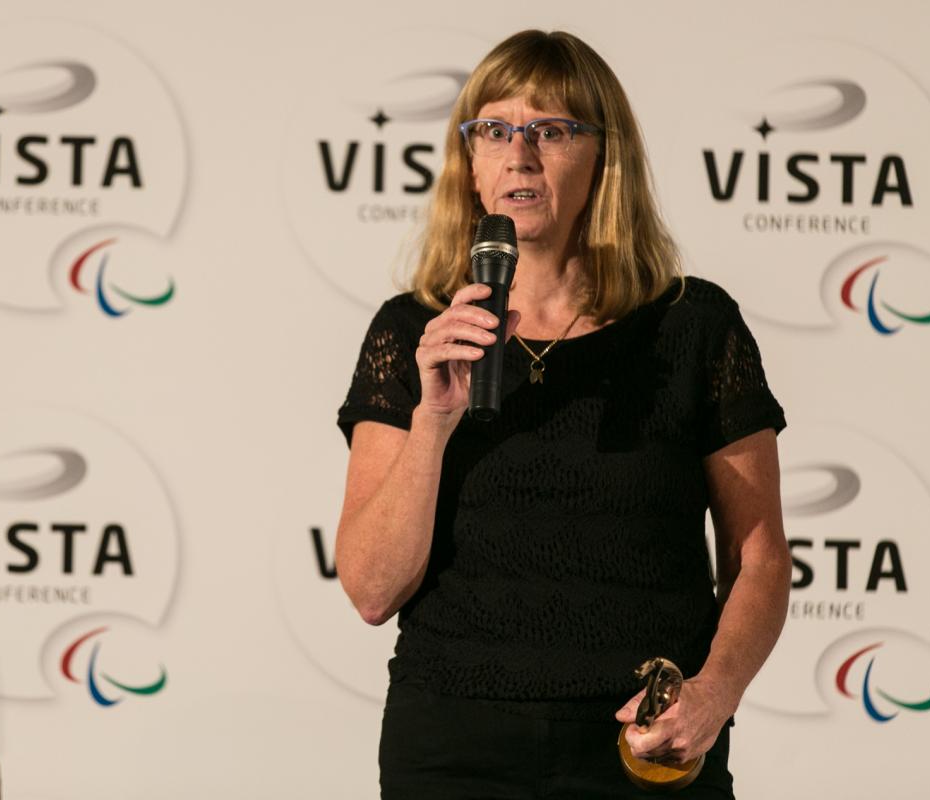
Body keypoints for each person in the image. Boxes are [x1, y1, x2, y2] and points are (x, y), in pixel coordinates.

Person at [334, 29, 790, 799]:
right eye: (495, 130)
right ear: (470, 161)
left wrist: (716, 694)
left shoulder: (693, 326)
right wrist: (433, 422)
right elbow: (373, 591)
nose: (520, 155)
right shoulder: (412, 332)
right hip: (453, 747)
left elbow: (759, 558)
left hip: (640, 744)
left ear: (603, 156)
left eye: (550, 130)